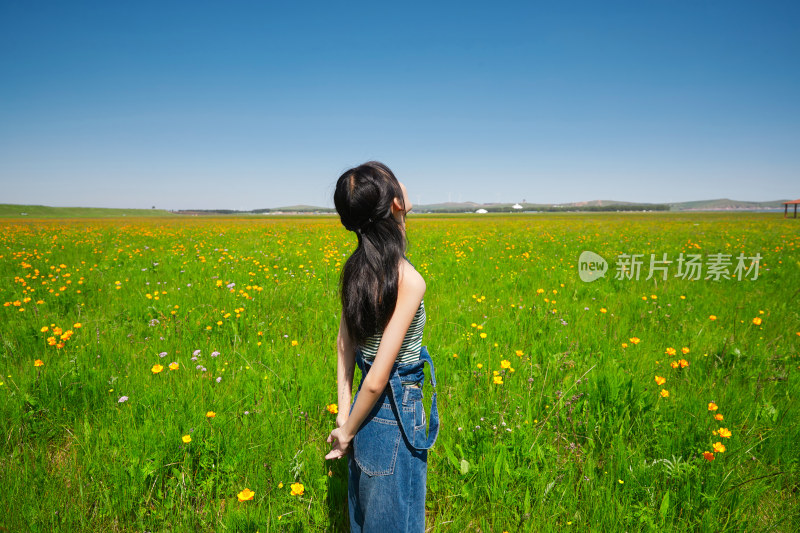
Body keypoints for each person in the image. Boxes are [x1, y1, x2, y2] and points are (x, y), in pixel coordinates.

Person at [325, 162, 439, 532]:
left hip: (362, 407)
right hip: (395, 412)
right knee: (396, 519)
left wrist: (346, 417)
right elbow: (379, 378)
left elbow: (345, 347)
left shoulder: (355, 270)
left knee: (367, 517)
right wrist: (344, 432)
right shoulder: (408, 279)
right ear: (395, 206)